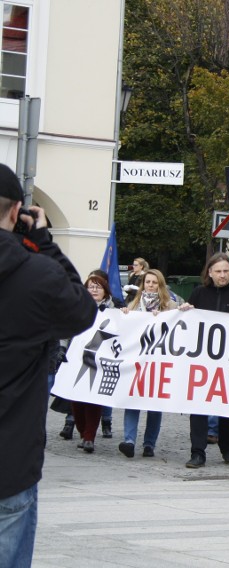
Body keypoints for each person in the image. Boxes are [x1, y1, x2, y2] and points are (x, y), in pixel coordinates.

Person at [0, 166, 97, 567]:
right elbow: (82, 310)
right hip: (10, 456)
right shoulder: (36, 272)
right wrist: (43, 242)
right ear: (16, 210)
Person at [179, 252, 229, 468]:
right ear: (210, 273)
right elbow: (186, 322)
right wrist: (184, 312)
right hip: (202, 361)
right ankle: (197, 452)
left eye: (226, 271)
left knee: (228, 408)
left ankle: (228, 449)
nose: (222, 275)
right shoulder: (199, 293)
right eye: (218, 271)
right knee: (198, 408)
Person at [118, 269, 177, 458]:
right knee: (132, 400)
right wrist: (124, 314)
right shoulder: (134, 304)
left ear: (160, 285)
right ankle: (129, 441)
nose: (150, 285)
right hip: (137, 360)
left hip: (159, 361)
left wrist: (166, 317)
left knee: (154, 405)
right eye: (148, 282)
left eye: (154, 282)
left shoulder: (170, 305)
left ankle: (149, 444)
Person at [70, 274, 116, 453]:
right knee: (76, 400)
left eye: (98, 287)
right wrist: (62, 349)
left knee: (93, 399)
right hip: (76, 358)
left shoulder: (114, 310)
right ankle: (83, 432)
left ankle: (89, 437)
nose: (94, 290)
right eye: (91, 286)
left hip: (100, 360)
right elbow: (67, 331)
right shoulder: (76, 308)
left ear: (105, 291)